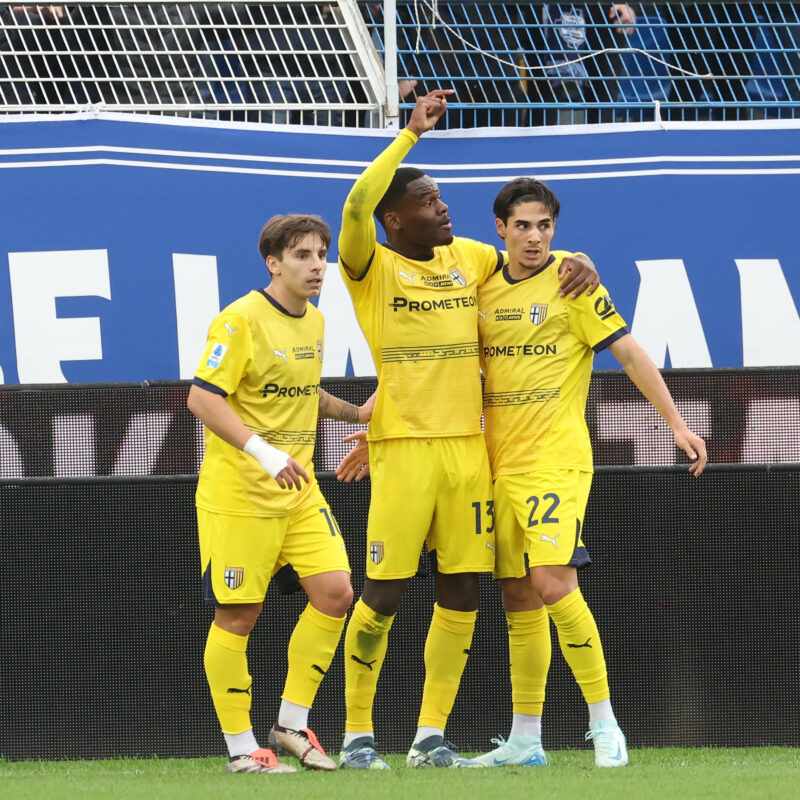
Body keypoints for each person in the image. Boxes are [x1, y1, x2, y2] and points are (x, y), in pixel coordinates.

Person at [335, 89, 599, 770]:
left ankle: (430, 736)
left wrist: (580, 261)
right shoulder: (370, 266)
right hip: (402, 448)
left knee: (462, 589)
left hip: (469, 450)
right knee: (384, 592)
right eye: (429, 201)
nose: (443, 207)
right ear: (397, 219)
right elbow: (355, 204)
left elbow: (530, 257)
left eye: (444, 198)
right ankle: (358, 732)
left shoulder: (471, 259)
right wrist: (409, 136)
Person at [472, 177, 707, 768]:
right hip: (494, 466)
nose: (534, 236)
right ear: (500, 229)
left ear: (556, 228)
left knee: (553, 582)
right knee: (519, 596)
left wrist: (675, 424)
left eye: (544, 225)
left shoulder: (575, 285)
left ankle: (606, 723)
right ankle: (526, 739)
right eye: (522, 225)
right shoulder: (481, 286)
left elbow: (628, 351)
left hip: (556, 460)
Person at [187, 214, 374, 774]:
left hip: (300, 491)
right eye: (303, 256)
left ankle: (291, 724)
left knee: (337, 593)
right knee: (239, 616)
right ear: (274, 263)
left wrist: (354, 411)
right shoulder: (238, 320)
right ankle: (243, 750)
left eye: (322, 255)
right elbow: (202, 399)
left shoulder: (314, 321)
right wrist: (265, 454)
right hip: (240, 494)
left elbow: (300, 388)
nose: (317, 265)